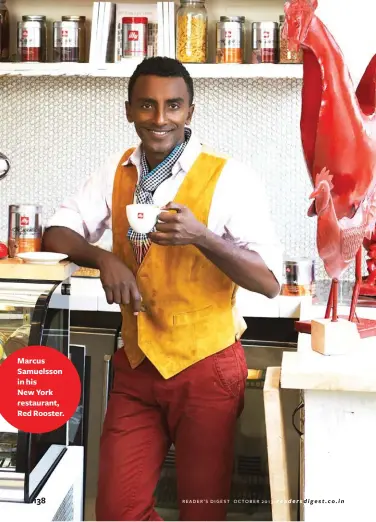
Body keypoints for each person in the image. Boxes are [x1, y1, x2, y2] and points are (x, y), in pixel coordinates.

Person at [43, 56, 283, 521]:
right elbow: (57, 231)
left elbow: (269, 281)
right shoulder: (118, 172)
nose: (160, 118)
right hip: (136, 365)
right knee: (117, 510)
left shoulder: (229, 177)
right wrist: (104, 258)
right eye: (147, 105)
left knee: (201, 513)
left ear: (190, 111)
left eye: (173, 105)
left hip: (206, 367)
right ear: (129, 109)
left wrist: (204, 237)